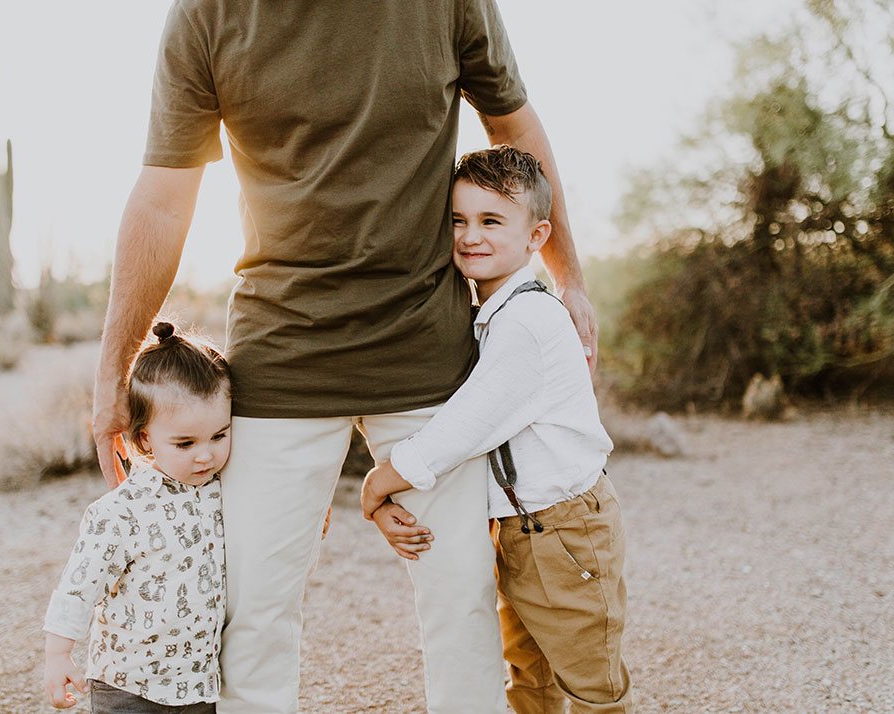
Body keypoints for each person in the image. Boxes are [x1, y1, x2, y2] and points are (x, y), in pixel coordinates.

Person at [91, 2, 600, 712]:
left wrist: (569, 276)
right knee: (254, 616)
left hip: (427, 354)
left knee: (461, 603)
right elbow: (165, 198)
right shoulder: (207, 14)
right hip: (281, 360)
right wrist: (113, 369)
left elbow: (513, 127)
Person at [361, 146, 635, 714]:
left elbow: (464, 427)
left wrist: (379, 482)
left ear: (537, 236)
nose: (470, 236)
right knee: (528, 675)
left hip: (565, 529)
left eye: (491, 221)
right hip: (519, 528)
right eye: (458, 220)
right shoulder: (489, 311)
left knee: (591, 687)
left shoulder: (529, 321)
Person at [44, 322, 232, 712]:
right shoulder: (121, 511)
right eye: (185, 443)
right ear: (144, 438)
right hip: (128, 684)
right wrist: (58, 654)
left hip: (198, 684)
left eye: (219, 435)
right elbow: (79, 586)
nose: (205, 455)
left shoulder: (224, 490)